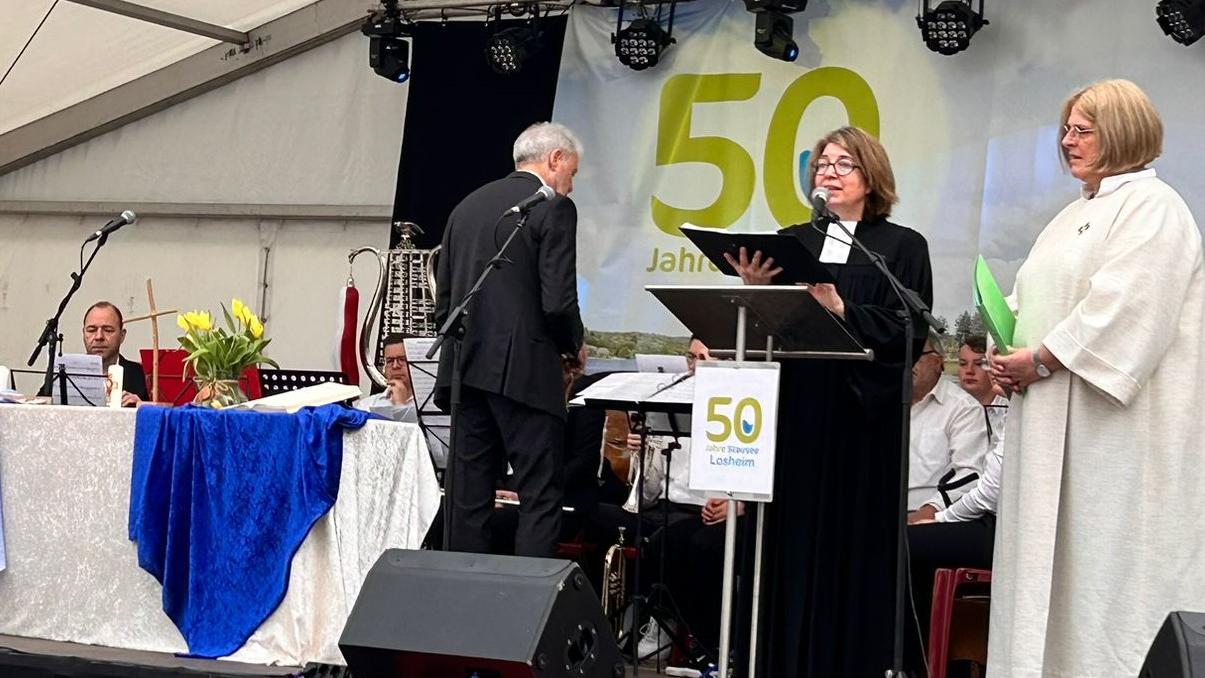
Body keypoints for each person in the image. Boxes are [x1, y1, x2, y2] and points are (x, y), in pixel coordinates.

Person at [987, 79, 1205, 676]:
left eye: (1082, 129)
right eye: (1066, 129)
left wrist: (1043, 358)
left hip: (1113, 442)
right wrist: (1004, 351)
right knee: (1045, 593)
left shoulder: (1155, 208)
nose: (1067, 141)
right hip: (1049, 434)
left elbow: (1127, 308)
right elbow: (1025, 300)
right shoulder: (1069, 217)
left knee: (1107, 586)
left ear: (1124, 133)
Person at [727, 126, 933, 677]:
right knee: (787, 546)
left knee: (853, 550)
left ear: (872, 178)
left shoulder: (901, 248)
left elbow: (908, 328)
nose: (828, 173)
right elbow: (767, 325)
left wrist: (844, 309)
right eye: (822, 164)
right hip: (798, 411)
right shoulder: (792, 240)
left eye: (843, 164)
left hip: (861, 420)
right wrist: (754, 288)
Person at [434, 122, 587, 558]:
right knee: (539, 495)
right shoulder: (552, 208)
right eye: (572, 173)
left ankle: (463, 602)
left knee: (467, 497)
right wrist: (572, 344)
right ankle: (525, 608)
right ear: (554, 159)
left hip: (466, 370)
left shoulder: (465, 207)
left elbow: (445, 302)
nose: (570, 186)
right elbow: (557, 301)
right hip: (525, 372)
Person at [907, 338, 990, 522]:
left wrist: (926, 514)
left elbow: (969, 474)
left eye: (915, 355)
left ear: (937, 362)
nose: (907, 362)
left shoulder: (963, 408)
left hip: (926, 519)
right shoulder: (882, 403)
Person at [354, 332, 448, 467]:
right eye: (390, 361)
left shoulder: (436, 405)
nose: (395, 366)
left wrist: (401, 405)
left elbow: (439, 456)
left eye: (402, 359)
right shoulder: (367, 405)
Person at [39, 301, 148, 406]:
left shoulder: (142, 375)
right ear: (83, 333)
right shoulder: (65, 371)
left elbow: (161, 415)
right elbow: (37, 407)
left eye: (108, 330)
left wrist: (143, 406)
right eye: (91, 330)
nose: (99, 337)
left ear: (122, 335)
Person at [956, 334, 1009, 444]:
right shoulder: (951, 411)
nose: (969, 370)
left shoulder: (1011, 409)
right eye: (963, 364)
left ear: (994, 367)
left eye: (979, 364)